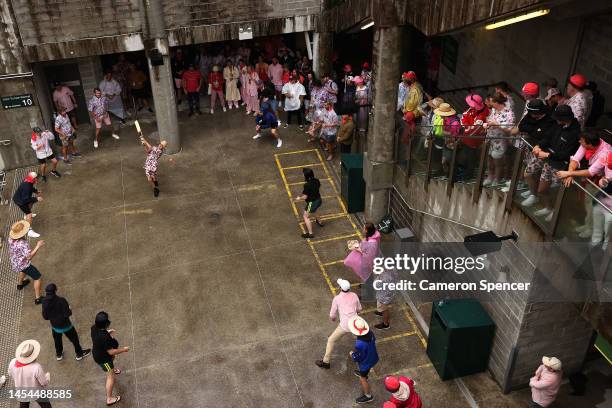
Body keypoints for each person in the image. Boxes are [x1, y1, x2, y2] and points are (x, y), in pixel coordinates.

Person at [522, 105, 580, 221]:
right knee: (541, 189)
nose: (556, 120)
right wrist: (539, 146)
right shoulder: (557, 124)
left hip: (560, 165)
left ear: (565, 118)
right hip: (549, 159)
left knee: (554, 190)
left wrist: (548, 155)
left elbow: (567, 154)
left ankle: (556, 212)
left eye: (558, 118)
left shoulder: (575, 132)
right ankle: (548, 207)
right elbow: (547, 137)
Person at [315, 278, 362, 369]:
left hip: (344, 325)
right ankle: (360, 355)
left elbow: (332, 315)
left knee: (331, 340)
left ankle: (326, 362)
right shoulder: (354, 295)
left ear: (340, 288)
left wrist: (333, 319)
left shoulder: (337, 298)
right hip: (355, 324)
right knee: (361, 340)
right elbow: (359, 309)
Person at [42, 283, 91, 361]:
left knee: (57, 340)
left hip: (55, 326)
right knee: (74, 340)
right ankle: (79, 354)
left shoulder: (44, 301)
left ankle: (59, 354)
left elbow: (45, 316)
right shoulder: (61, 300)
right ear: (55, 290)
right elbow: (67, 314)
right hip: (66, 325)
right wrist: (69, 309)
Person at [91, 311, 129, 406]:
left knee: (111, 361)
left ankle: (112, 369)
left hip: (98, 353)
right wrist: (123, 350)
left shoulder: (94, 328)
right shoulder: (104, 338)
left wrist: (107, 332)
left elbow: (98, 337)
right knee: (110, 377)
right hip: (104, 360)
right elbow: (111, 352)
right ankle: (109, 398)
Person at [483, 93, 515, 187]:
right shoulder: (493, 110)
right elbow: (490, 120)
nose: (490, 103)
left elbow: (510, 129)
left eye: (492, 102)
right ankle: (490, 177)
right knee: (489, 159)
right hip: (490, 138)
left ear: (497, 102)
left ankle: (498, 179)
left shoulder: (509, 113)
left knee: (498, 161)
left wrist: (496, 124)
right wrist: (487, 124)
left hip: (500, 141)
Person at [9, 220, 45, 304]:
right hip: (24, 264)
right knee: (37, 277)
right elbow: (29, 257)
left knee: (22, 271)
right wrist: (38, 246)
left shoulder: (10, 238)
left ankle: (20, 284)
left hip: (15, 261)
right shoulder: (22, 243)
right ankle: (38, 298)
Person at [8, 339, 52, 408]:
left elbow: (10, 373)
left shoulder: (12, 362)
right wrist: (47, 377)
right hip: (37, 392)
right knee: (46, 406)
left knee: (23, 406)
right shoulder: (36, 367)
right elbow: (43, 382)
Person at [349, 316, 378, 404]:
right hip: (373, 357)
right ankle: (364, 374)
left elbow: (358, 358)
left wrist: (352, 355)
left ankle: (368, 396)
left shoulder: (360, 344)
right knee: (365, 372)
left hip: (366, 363)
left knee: (362, 379)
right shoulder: (370, 333)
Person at [459, 94, 489, 180]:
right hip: (467, 138)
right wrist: (467, 126)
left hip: (476, 140)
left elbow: (476, 128)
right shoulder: (470, 110)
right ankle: (466, 174)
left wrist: (467, 127)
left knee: (471, 158)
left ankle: (469, 176)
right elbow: (463, 119)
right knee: (466, 157)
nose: (470, 106)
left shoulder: (484, 113)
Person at [295, 168, 323, 238]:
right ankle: (320, 222)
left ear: (306, 176)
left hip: (312, 202)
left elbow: (305, 197)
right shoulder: (317, 180)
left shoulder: (307, 185)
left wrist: (299, 198)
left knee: (305, 216)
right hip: (319, 200)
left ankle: (310, 234)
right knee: (314, 210)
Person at [13, 172, 43, 237]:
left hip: (20, 198)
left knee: (31, 203)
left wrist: (36, 191)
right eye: (36, 178)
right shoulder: (27, 186)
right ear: (34, 179)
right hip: (20, 201)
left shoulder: (28, 181)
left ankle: (26, 215)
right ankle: (29, 230)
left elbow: (31, 187)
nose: (37, 179)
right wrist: (36, 199)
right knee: (29, 215)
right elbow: (25, 199)